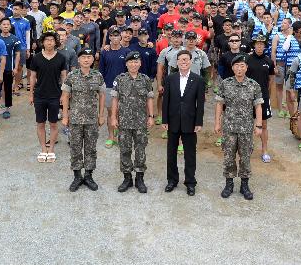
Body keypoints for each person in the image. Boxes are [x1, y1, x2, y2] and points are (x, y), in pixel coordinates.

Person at [215, 54, 263, 200]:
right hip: (229, 127)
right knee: (228, 157)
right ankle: (229, 184)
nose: (239, 68)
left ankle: (244, 185)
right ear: (232, 67)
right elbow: (219, 104)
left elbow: (258, 106)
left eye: (242, 66)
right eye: (237, 66)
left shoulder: (253, 85)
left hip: (246, 128)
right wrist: (217, 122)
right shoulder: (225, 83)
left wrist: (259, 125)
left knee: (245, 157)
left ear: (246, 68)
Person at [162, 49, 205, 195]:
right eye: (181, 60)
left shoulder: (198, 80)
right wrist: (164, 119)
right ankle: (172, 180)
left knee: (190, 154)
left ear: (191, 61)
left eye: (186, 59)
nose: (184, 62)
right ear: (177, 62)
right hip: (173, 121)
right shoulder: (170, 78)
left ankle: (190, 182)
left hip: (190, 122)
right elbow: (165, 101)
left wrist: (199, 122)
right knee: (171, 153)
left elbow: (201, 103)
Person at [61, 48, 105, 192]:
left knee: (91, 148)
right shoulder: (72, 75)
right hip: (75, 120)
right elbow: (65, 97)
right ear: (79, 60)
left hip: (92, 119)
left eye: (89, 57)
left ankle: (88, 175)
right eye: (83, 57)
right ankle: (77, 176)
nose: (86, 60)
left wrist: (101, 115)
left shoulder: (97, 76)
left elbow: (102, 96)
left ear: (93, 60)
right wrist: (65, 116)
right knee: (75, 148)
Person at [112, 51, 155, 194]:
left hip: (141, 121)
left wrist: (150, 116)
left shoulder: (145, 79)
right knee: (124, 150)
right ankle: (127, 178)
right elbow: (115, 100)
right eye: (130, 62)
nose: (133, 64)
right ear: (126, 64)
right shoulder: (120, 79)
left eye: (136, 62)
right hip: (124, 121)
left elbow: (149, 98)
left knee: (140, 149)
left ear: (140, 63)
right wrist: (113, 117)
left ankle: (140, 178)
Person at [29, 32, 68, 163]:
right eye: (47, 40)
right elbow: (32, 76)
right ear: (43, 42)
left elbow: (64, 78)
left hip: (55, 95)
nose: (50, 42)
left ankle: (51, 149)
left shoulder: (61, 58)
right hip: (39, 95)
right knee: (40, 123)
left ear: (55, 42)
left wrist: (64, 95)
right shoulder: (37, 58)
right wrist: (31, 94)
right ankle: (43, 149)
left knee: (53, 123)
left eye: (52, 40)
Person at [99, 28, 131, 147]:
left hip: (123, 86)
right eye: (113, 35)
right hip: (108, 86)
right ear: (110, 38)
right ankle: (111, 137)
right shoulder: (105, 52)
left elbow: (130, 70)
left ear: (120, 37)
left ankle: (120, 135)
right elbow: (101, 71)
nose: (115, 38)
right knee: (110, 112)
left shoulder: (127, 52)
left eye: (117, 35)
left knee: (121, 112)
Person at [246, 34, 274, 162]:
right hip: (247, 96)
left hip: (263, 97)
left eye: (262, 44)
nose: (259, 46)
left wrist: (267, 94)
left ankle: (264, 150)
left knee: (263, 124)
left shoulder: (269, 61)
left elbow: (271, 79)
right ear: (254, 45)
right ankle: (246, 149)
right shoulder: (247, 59)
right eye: (257, 44)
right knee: (247, 123)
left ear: (264, 46)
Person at [0, 18, 22, 120]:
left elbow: (17, 54)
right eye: (4, 24)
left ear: (10, 26)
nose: (6, 26)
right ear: (0, 26)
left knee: (7, 88)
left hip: (9, 68)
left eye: (8, 24)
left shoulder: (15, 39)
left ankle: (7, 108)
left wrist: (15, 67)